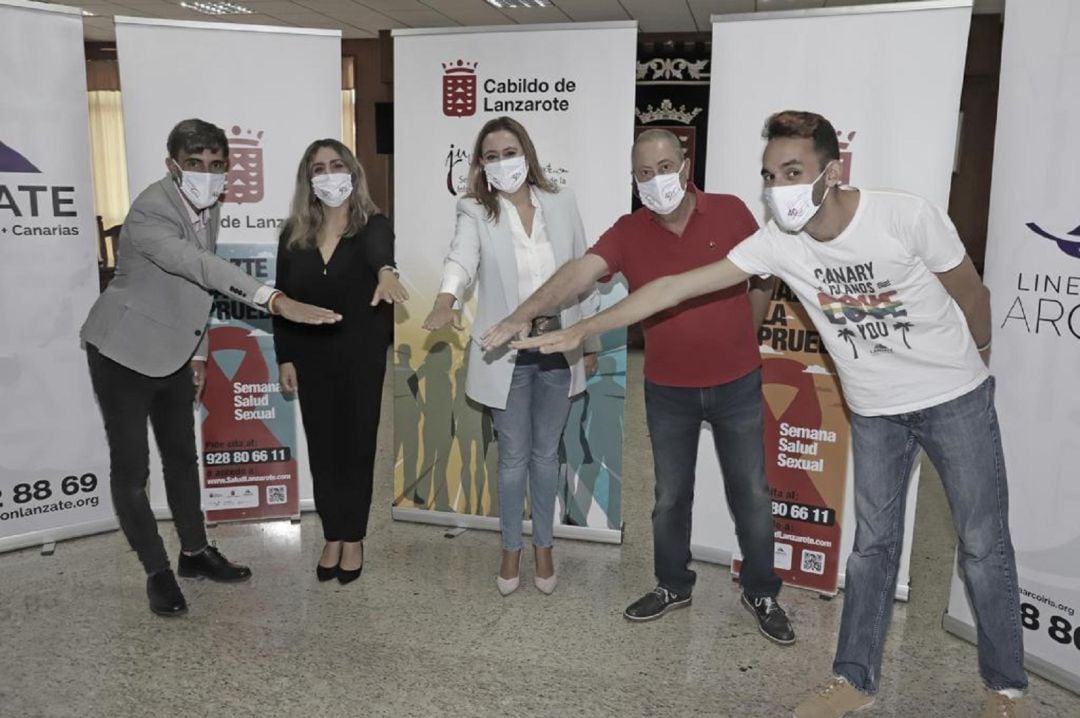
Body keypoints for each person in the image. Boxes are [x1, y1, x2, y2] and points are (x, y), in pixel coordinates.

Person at [511, 111, 1028, 718]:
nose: (779, 187)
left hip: (953, 399)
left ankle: (1005, 687)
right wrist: (581, 328)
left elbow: (971, 292)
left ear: (831, 171)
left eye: (793, 172)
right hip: (876, 411)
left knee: (981, 545)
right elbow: (671, 290)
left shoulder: (904, 215)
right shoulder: (778, 244)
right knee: (872, 549)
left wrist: (977, 366)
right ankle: (854, 679)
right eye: (770, 175)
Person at [483, 129, 793, 644]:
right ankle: (673, 584)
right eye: (644, 174)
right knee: (670, 496)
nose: (656, 181)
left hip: (737, 383)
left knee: (753, 494)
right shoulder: (629, 232)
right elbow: (580, 274)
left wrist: (746, 333)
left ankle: (761, 590)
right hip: (668, 389)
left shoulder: (732, 211)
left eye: (665, 167)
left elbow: (761, 277)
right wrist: (524, 314)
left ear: (686, 165)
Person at [80, 118, 341, 617]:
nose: (208, 174)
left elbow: (196, 289)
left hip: (175, 354)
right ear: (172, 165)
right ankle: (157, 572)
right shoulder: (151, 211)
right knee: (132, 470)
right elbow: (201, 268)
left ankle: (195, 553)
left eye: (217, 165)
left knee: (182, 459)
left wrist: (198, 354)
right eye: (196, 165)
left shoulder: (209, 205)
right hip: (122, 353)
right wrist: (276, 300)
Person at [421, 116, 600, 596]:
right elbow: (461, 258)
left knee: (546, 456)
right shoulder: (476, 211)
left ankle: (544, 546)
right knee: (513, 459)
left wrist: (592, 339)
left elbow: (583, 269)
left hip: (558, 348)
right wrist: (446, 298)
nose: (504, 163)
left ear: (529, 153)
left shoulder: (561, 203)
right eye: (493, 155)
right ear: (481, 164)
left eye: (511, 152)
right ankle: (509, 549)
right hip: (507, 355)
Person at [273, 139, 406, 585]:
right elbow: (282, 300)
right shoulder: (293, 234)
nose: (329, 174)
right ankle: (333, 533)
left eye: (336, 165)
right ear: (308, 179)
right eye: (318, 168)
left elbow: (381, 257)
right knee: (324, 447)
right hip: (309, 355)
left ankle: (354, 537)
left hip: (359, 355)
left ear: (352, 170)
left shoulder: (373, 225)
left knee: (356, 447)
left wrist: (387, 273)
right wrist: (285, 357)